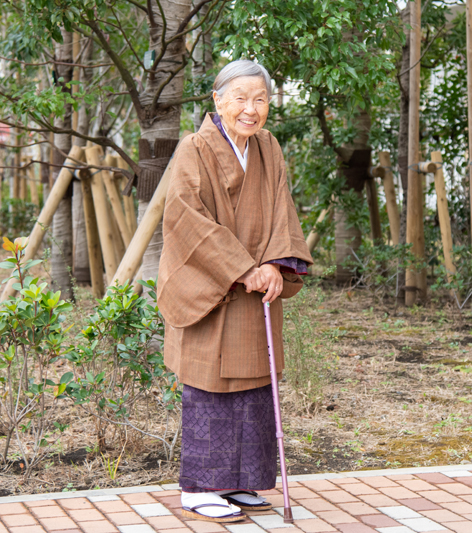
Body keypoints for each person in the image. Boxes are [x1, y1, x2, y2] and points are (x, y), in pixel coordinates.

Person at [157, 60, 313, 523]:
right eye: (241, 98)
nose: (251, 109)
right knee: (210, 386)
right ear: (217, 100)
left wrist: (273, 266)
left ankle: (241, 482)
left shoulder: (268, 147)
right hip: (215, 288)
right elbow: (187, 219)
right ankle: (200, 487)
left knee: (254, 386)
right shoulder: (194, 148)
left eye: (260, 99)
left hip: (259, 282)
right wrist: (244, 268)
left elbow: (282, 210)